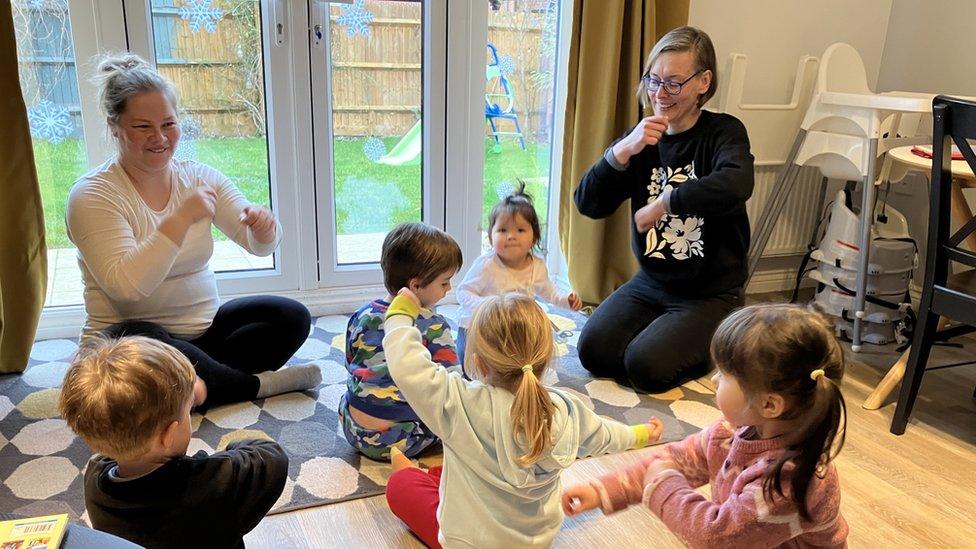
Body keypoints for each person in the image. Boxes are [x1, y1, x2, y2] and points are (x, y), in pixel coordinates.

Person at [65, 53, 318, 409]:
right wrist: (178, 221)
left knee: (291, 316)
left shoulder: (198, 175)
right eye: (142, 127)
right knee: (138, 335)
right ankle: (252, 386)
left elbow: (260, 245)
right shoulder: (92, 195)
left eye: (168, 124)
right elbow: (127, 289)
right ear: (114, 126)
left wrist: (265, 228)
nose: (160, 138)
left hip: (203, 336)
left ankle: (198, 386)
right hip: (128, 344)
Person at [383, 291, 664, 548]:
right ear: (545, 358)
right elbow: (607, 436)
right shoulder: (568, 411)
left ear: (479, 363)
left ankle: (410, 473)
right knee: (455, 463)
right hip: (536, 542)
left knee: (402, 486)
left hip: (468, 543)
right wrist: (642, 434)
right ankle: (428, 475)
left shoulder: (459, 403)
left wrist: (400, 313)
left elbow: (408, 366)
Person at [562, 304, 849, 548]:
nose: (713, 381)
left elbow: (713, 537)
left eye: (724, 374)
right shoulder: (730, 432)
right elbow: (674, 459)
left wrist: (663, 485)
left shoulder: (789, 480)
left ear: (769, 405)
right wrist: (604, 490)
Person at [574, 26, 754, 393]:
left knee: (645, 368)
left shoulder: (724, 132)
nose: (659, 93)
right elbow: (588, 203)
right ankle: (666, 330)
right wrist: (621, 151)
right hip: (652, 282)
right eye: (653, 80)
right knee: (594, 352)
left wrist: (667, 202)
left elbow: (737, 184)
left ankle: (725, 338)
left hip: (711, 293)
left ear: (704, 81)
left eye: (674, 82)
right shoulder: (642, 137)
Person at [58, 336, 288, 549]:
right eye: (189, 409)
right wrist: (229, 451)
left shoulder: (95, 483)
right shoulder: (216, 482)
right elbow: (272, 456)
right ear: (168, 436)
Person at [339, 222, 463, 461]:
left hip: (353, 429)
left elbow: (350, 362)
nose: (449, 289)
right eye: (445, 282)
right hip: (402, 438)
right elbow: (452, 384)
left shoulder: (361, 315)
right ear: (415, 285)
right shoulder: (433, 324)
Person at [455, 183, 582, 359]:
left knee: (529, 353)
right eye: (502, 230)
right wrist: (487, 307)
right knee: (471, 364)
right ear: (491, 237)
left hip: (512, 328)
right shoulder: (486, 265)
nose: (511, 236)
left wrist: (566, 300)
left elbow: (550, 292)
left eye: (520, 230)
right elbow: (462, 292)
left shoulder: (536, 265)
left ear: (534, 237)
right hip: (477, 326)